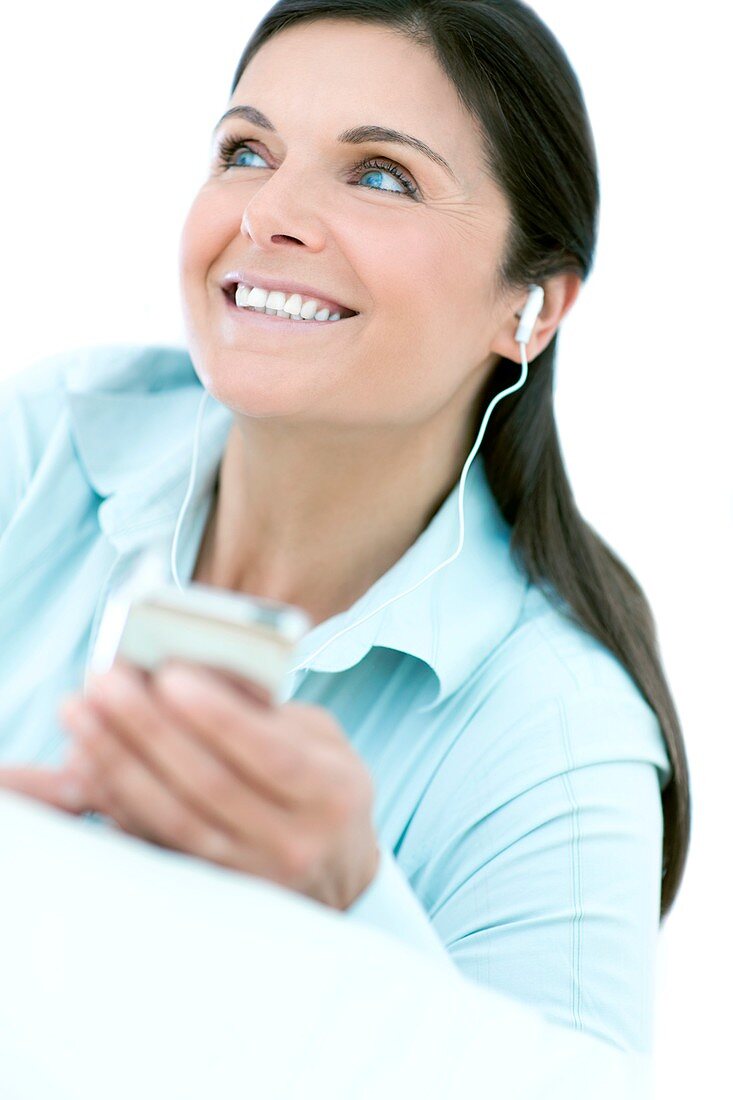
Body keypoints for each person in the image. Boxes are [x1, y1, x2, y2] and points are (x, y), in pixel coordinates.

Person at [0, 0, 689, 1058]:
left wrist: (349, 910)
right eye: (246, 150)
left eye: (380, 174)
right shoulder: (41, 442)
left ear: (532, 309)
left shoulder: (556, 739)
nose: (266, 212)